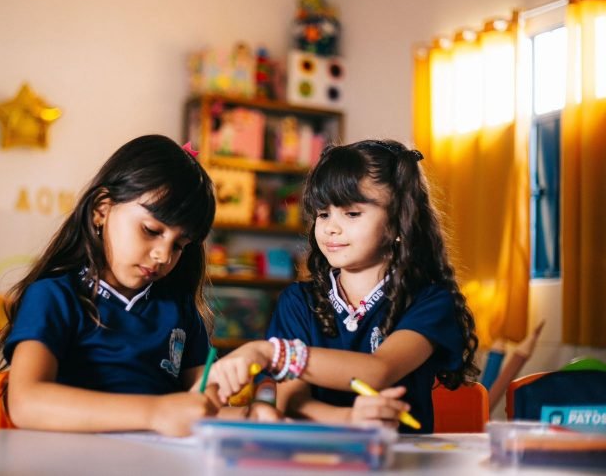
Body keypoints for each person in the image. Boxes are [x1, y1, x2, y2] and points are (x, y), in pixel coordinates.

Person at [205, 139, 479, 432]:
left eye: (351, 213)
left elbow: (378, 370)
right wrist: (348, 420)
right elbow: (291, 396)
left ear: (399, 222)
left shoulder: (430, 300)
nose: (330, 227)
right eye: (323, 214)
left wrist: (271, 353)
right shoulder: (299, 300)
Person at [0, 135, 219, 437]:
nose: (163, 255)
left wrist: (252, 415)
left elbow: (203, 407)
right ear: (102, 209)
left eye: (179, 245)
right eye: (151, 230)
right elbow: (26, 403)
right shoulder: (55, 297)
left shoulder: (179, 310)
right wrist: (155, 413)